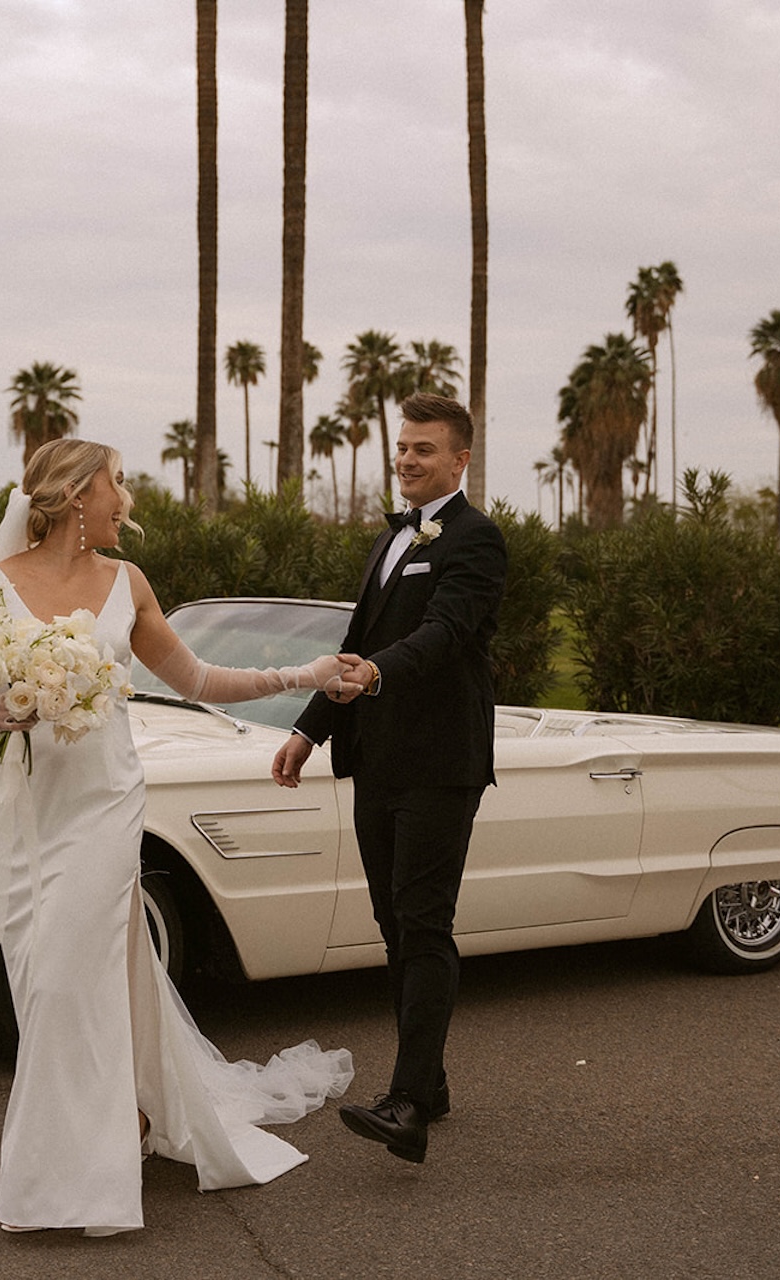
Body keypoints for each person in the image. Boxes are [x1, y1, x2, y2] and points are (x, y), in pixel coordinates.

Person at [0, 438, 356, 1236]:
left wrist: (305, 674)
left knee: (66, 979)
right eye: (116, 483)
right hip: (23, 814)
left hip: (104, 806)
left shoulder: (127, 584)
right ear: (73, 496)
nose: (126, 498)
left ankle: (72, 1177)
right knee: (40, 982)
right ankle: (121, 1115)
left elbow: (197, 680)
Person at [271, 392, 507, 1164]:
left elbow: (444, 634)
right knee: (392, 923)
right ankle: (428, 1081)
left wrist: (375, 675)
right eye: (403, 447)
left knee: (423, 921)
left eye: (425, 450)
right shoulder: (390, 540)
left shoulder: (478, 540)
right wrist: (310, 728)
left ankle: (407, 1104)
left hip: (442, 762)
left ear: (460, 459)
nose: (407, 459)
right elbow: (355, 640)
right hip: (375, 759)